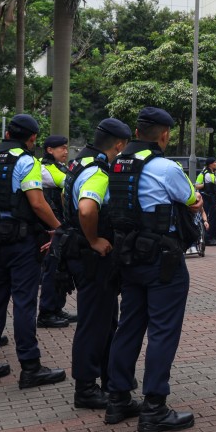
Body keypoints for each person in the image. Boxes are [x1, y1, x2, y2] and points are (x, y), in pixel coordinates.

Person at [105, 107, 201, 432]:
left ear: (136, 132)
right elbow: (192, 199)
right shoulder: (165, 167)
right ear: (164, 135)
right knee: (162, 330)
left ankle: (117, 399)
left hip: (128, 256)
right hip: (163, 259)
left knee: (129, 326)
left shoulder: (115, 165)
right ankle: (154, 407)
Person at [0, 114, 66, 388]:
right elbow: (37, 203)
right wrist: (59, 228)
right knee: (24, 302)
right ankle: (30, 367)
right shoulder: (26, 162)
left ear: (9, 132)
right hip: (21, 240)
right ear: (33, 138)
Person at [63, 118, 131, 409]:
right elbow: (87, 208)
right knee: (94, 321)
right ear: (119, 145)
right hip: (93, 256)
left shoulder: (81, 162)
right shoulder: (99, 172)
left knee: (103, 319)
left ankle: (104, 378)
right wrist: (94, 239)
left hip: (81, 252)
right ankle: (86, 388)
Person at [38, 134, 73, 330]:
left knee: (60, 268)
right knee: (51, 269)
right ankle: (46, 312)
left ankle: (57, 308)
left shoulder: (60, 167)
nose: (65, 152)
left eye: (66, 148)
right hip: (50, 227)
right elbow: (66, 182)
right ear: (49, 150)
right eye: (61, 148)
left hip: (59, 225)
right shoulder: (44, 168)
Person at [194, 157, 216, 246]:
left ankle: (211, 237)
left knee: (212, 218)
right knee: (206, 218)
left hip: (212, 198)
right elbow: (197, 186)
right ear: (210, 164)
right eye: (214, 162)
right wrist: (205, 185)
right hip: (206, 198)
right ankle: (206, 238)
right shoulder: (203, 173)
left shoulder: (212, 173)